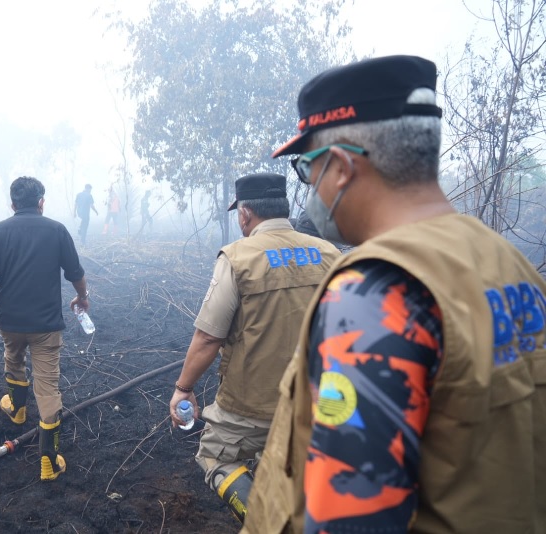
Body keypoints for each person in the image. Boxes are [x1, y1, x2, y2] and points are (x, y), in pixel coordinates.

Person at [243, 55, 546, 534]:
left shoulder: (374, 294)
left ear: (340, 168)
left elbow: (349, 518)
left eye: (307, 170)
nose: (308, 190)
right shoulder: (512, 265)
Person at [169, 173, 340, 524]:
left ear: (244, 215)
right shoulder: (330, 254)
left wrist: (183, 389)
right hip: (316, 400)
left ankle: (265, 524)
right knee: (282, 461)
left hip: (250, 406)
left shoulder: (238, 257)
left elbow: (208, 338)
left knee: (215, 456)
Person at [0, 176, 89, 482]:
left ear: (12, 204)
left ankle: (18, 410)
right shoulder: (57, 230)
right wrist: (82, 297)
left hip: (10, 323)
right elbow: (75, 273)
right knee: (47, 389)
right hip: (46, 326)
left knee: (13, 359)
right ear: (41, 202)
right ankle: (48, 462)